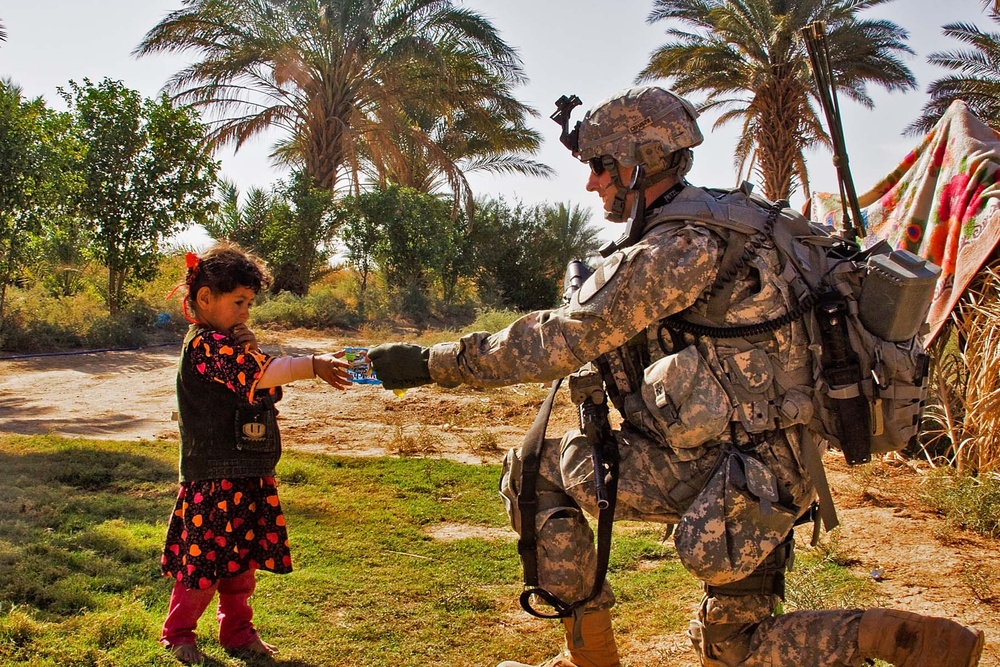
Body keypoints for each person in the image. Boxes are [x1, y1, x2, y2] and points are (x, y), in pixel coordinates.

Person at [369, 86, 985, 667]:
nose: (592, 182)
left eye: (602, 165)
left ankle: (591, 654)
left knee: (536, 471)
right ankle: (893, 637)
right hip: (779, 467)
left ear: (641, 162)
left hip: (734, 471)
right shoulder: (743, 220)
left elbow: (561, 339)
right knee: (732, 646)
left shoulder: (679, 248)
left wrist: (432, 363)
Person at [159, 242, 351, 665]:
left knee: (241, 564)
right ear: (205, 299)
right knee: (202, 565)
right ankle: (179, 633)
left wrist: (252, 346)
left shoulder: (229, 343)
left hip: (248, 472)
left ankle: (238, 633)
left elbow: (262, 385)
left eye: (249, 303)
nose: (246, 312)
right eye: (238, 302)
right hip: (212, 476)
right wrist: (311, 363)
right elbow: (260, 375)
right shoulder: (206, 346)